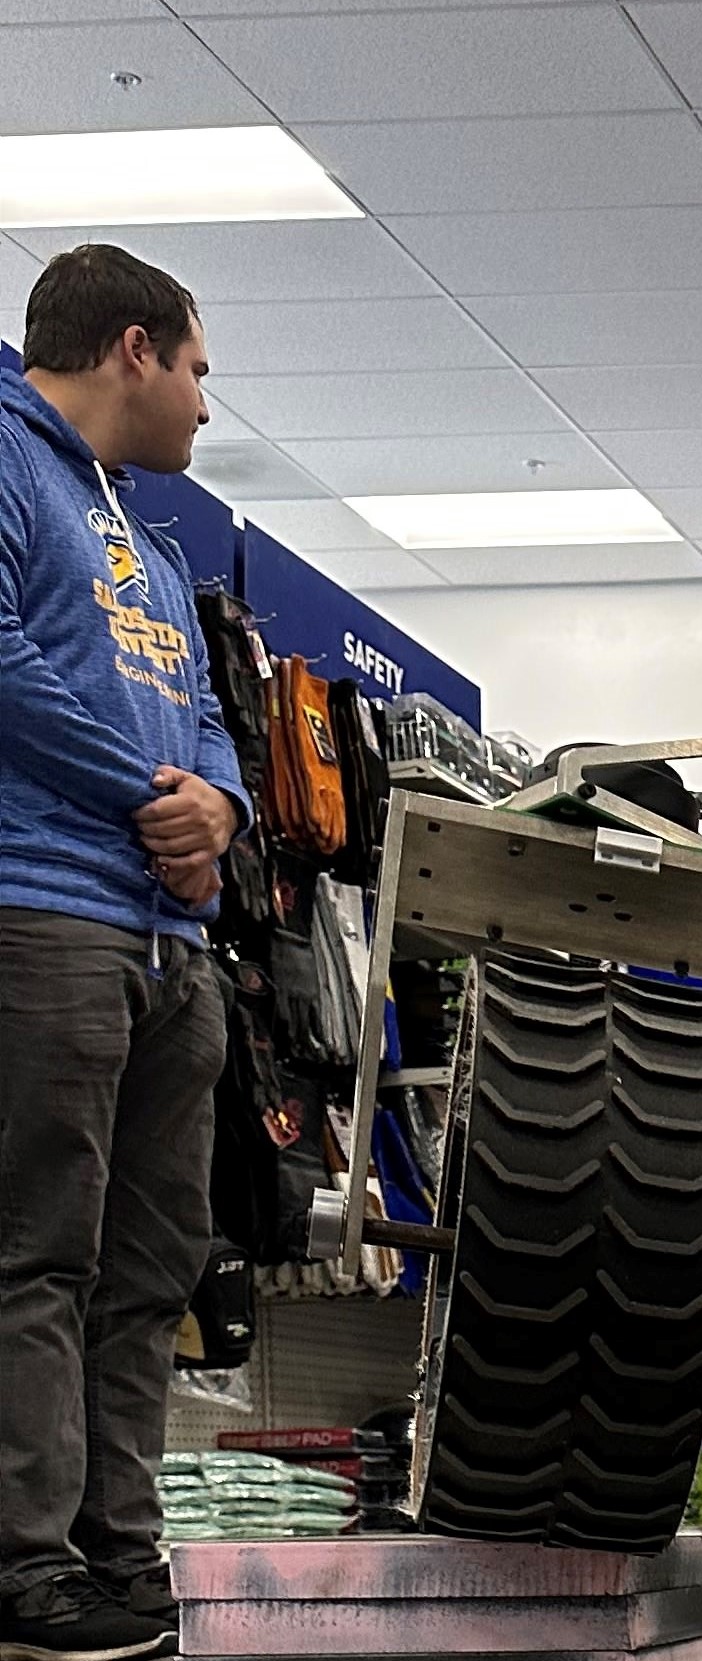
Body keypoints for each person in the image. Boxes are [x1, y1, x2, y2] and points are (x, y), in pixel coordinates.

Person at [0, 244, 246, 1661]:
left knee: (149, 1270)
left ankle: (118, 1550)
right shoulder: (7, 462)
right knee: (37, 1254)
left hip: (172, 948)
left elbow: (209, 722)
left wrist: (216, 799)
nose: (208, 409)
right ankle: (24, 1565)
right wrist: (145, 796)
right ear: (136, 349)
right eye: (202, 372)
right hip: (43, 914)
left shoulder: (153, 545)